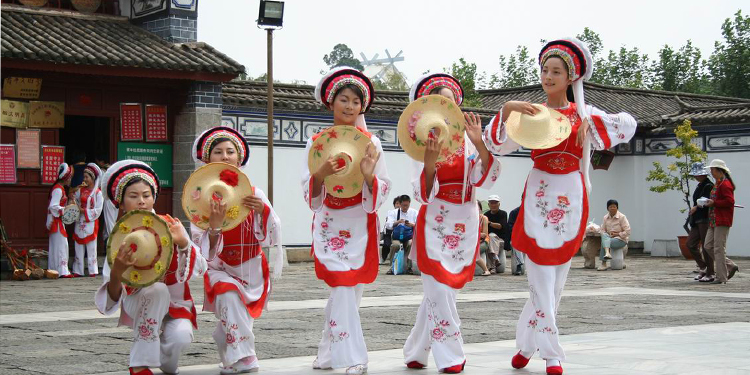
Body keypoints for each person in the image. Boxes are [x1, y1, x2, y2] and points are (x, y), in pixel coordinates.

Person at [483, 37, 636, 375]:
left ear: (571, 78)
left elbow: (629, 125)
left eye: (556, 71)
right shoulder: (532, 114)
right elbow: (494, 144)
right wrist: (507, 110)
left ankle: (525, 345)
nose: (548, 76)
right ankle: (552, 353)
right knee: (539, 275)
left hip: (571, 196)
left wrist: (589, 124)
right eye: (545, 70)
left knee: (555, 283)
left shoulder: (585, 114)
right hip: (539, 193)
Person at [403, 73, 500, 373]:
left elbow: (485, 176)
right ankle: (451, 355)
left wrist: (480, 143)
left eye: (452, 101)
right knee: (439, 289)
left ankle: (416, 351)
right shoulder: (421, 141)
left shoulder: (468, 141)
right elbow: (422, 193)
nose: (448, 105)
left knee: (442, 291)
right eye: (441, 100)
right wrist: (430, 162)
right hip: (435, 220)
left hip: (465, 221)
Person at [303, 67, 391, 375]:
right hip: (329, 223)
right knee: (341, 287)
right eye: (344, 99)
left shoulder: (373, 144)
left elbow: (385, 185)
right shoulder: (316, 143)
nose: (350, 106)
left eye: (356, 101)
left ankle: (328, 353)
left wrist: (369, 178)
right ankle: (353, 358)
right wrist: (321, 175)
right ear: (330, 103)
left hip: (359, 223)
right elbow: (309, 191)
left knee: (350, 293)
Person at [95, 160, 207, 375]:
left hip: (176, 302)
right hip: (139, 298)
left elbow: (200, 267)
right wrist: (118, 270)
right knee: (156, 289)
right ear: (120, 201)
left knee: (181, 338)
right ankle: (139, 364)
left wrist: (183, 243)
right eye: (133, 196)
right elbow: (110, 297)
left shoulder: (169, 224)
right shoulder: (119, 236)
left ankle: (164, 359)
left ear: (154, 196)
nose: (141, 201)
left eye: (146, 195)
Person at [190, 126, 283, 374]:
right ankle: (246, 358)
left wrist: (263, 211)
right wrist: (214, 228)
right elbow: (202, 250)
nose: (225, 156)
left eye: (230, 151)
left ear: (239, 158)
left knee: (238, 320)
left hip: (250, 265)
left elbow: (270, 234)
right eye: (218, 151)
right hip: (220, 267)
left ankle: (228, 348)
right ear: (207, 158)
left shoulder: (254, 192)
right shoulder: (197, 197)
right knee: (229, 296)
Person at [703, 159, 739, 285]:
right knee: (708, 246)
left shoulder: (725, 184)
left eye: (712, 170)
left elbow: (730, 202)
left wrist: (715, 203)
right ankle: (730, 265)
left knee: (719, 248)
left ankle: (721, 277)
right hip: (714, 219)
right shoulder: (718, 183)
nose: (711, 172)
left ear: (719, 170)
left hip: (722, 220)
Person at [71, 163, 103, 277]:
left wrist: (84, 211)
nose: (84, 179)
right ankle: (78, 270)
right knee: (78, 245)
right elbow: (75, 200)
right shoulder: (81, 190)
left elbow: (98, 209)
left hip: (90, 221)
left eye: (86, 177)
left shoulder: (98, 193)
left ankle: (92, 270)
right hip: (80, 220)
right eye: (84, 177)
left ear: (93, 178)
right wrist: (73, 200)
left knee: (91, 247)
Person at [686, 162, 714, 280]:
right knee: (690, 244)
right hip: (697, 219)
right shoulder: (700, 185)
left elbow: (706, 201)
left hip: (704, 218)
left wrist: (696, 207)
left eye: (697, 175)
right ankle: (703, 266)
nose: (695, 177)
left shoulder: (708, 185)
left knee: (706, 245)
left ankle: (710, 272)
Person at [47, 163, 73, 278]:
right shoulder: (58, 190)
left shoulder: (60, 188)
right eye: (70, 177)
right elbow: (53, 206)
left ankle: (55, 269)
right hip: (56, 221)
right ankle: (62, 270)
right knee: (61, 245)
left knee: (57, 246)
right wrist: (65, 209)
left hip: (57, 221)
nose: (70, 179)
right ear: (66, 177)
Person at [386, 195, 418, 274]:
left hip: (408, 236)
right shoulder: (393, 212)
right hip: (397, 236)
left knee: (411, 243)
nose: (405, 207)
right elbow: (388, 225)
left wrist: (412, 225)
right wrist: (398, 222)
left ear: (409, 203)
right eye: (403, 205)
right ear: (400, 204)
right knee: (395, 245)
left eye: (407, 205)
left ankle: (408, 267)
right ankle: (392, 267)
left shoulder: (414, 212)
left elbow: (420, 224)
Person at [598, 199, 630, 271]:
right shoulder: (605, 217)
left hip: (621, 240)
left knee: (605, 242)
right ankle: (607, 255)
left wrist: (617, 234)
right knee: (605, 238)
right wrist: (607, 234)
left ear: (617, 207)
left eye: (614, 207)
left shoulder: (622, 217)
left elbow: (628, 231)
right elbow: (602, 229)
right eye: (610, 207)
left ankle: (604, 263)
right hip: (609, 238)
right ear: (607, 208)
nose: (612, 208)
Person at [484, 195, 509, 273]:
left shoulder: (503, 213)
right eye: (491, 203)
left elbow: (500, 226)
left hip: (500, 239)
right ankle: (494, 260)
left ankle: (492, 265)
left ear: (499, 204)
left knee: (492, 236)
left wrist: (489, 223)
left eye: (495, 203)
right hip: (490, 240)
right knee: (489, 239)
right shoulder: (486, 214)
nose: (493, 205)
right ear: (489, 204)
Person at [381, 197, 401, 264]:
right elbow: (388, 225)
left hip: (399, 234)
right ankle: (383, 258)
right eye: (397, 203)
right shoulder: (391, 212)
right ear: (394, 205)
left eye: (400, 203)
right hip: (389, 233)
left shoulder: (405, 213)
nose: (398, 205)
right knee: (386, 245)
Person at [507, 203, 524, 275]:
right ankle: (519, 265)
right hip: (520, 236)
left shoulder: (536, 212)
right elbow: (511, 227)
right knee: (516, 243)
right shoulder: (514, 212)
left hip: (533, 237)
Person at [477, 201, 492, 276]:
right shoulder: (469, 218)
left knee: (473, 252)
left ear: (480, 208)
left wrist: (474, 235)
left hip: (483, 242)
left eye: (477, 207)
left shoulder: (484, 218)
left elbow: (484, 234)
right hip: (472, 241)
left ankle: (486, 270)